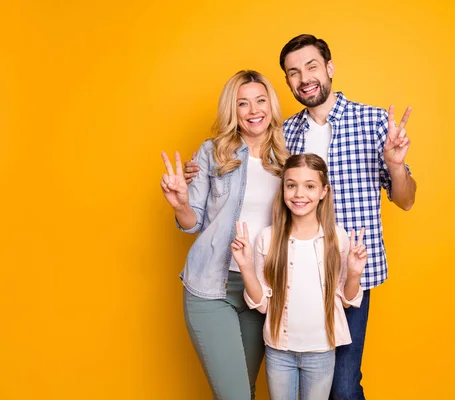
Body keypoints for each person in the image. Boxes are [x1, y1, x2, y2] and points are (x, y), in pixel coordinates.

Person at [184, 34, 417, 399]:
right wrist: (197, 173)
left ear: (329, 68)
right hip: (291, 276)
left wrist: (396, 166)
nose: (304, 78)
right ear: (288, 82)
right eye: (293, 72)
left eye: (311, 66)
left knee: (342, 386)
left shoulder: (373, 122)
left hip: (348, 273)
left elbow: (405, 200)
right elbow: (249, 168)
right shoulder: (285, 135)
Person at [160, 70, 288, 399]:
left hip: (261, 291)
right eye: (242, 103)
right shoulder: (212, 152)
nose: (253, 110)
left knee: (244, 389)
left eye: (260, 100)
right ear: (232, 110)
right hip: (211, 287)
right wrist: (181, 204)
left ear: (271, 105)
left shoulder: (288, 158)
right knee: (235, 396)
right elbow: (191, 223)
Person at [230, 153, 367, 400]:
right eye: (291, 185)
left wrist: (355, 273)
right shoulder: (267, 238)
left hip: (322, 351)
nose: (299, 194)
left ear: (324, 191)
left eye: (310, 186)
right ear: (283, 189)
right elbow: (261, 305)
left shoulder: (337, 237)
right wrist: (246, 267)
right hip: (279, 351)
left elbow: (346, 300)